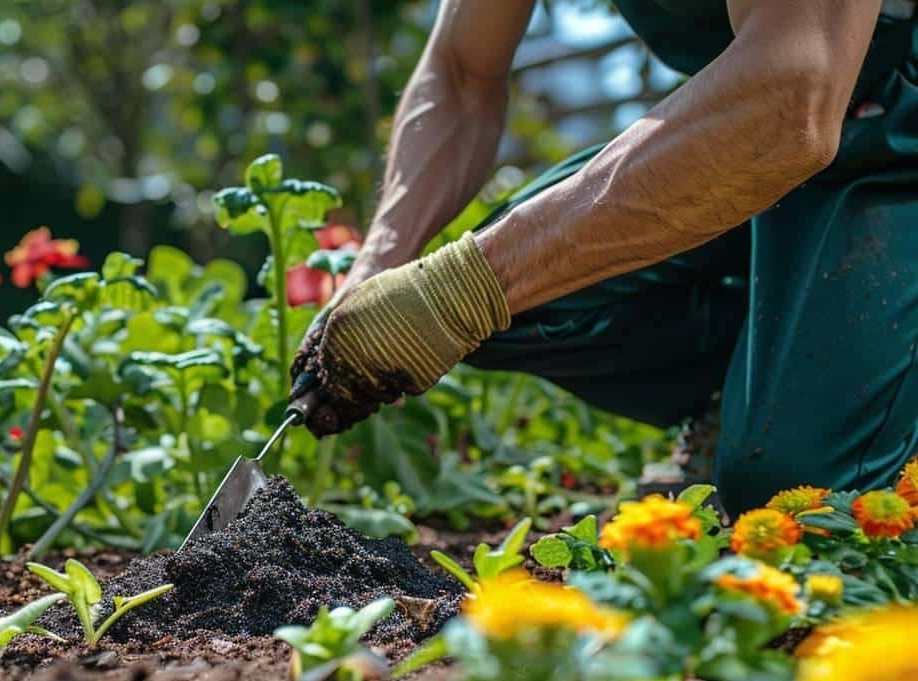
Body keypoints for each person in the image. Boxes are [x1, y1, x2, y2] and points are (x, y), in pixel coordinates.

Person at [290, 0, 918, 515]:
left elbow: (792, 94)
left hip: (890, 141)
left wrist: (466, 287)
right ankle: (756, 383)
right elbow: (460, 72)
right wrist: (378, 265)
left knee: (799, 497)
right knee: (523, 309)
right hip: (752, 147)